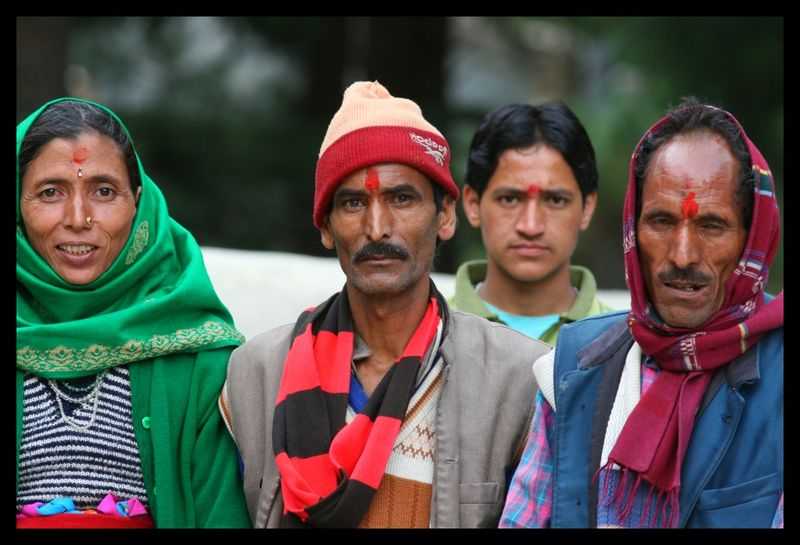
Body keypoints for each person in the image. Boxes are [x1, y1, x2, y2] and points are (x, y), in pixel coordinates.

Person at [219, 81, 549, 528]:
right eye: (353, 202)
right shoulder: (255, 374)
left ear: (445, 214)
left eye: (401, 198)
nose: (377, 228)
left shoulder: (517, 378)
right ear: (326, 226)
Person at [499, 98, 783, 528]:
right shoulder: (575, 365)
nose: (683, 255)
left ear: (752, 237)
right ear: (634, 228)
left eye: (712, 226)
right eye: (661, 222)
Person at [16, 98, 251, 528]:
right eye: (51, 192)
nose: (79, 218)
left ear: (138, 201)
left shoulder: (198, 357)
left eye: (104, 191)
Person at [450, 102, 613, 345]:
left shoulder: (623, 345)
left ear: (587, 208)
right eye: (510, 199)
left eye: (556, 200)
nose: (530, 226)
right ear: (473, 205)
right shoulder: (429, 335)